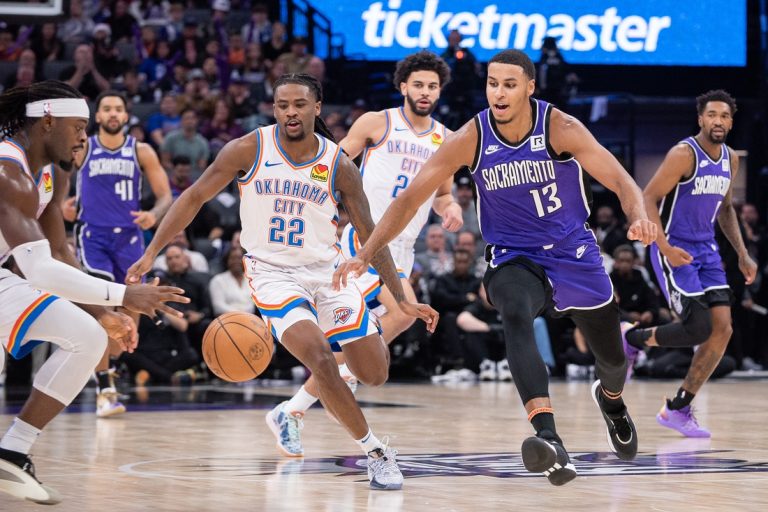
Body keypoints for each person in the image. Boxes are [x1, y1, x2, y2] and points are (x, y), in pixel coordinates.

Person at [334, 50, 657, 486]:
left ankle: (612, 400)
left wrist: (638, 214)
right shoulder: (471, 136)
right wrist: (367, 248)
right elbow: (410, 199)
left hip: (571, 251)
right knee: (514, 313)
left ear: (529, 87)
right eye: (492, 83)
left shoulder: (560, 127)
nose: (498, 92)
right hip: (512, 256)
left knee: (612, 360)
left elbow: (620, 180)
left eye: (509, 84)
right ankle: (549, 438)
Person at [126, 73, 439, 490]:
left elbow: (370, 235)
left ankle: (293, 408)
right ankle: (376, 453)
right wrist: (151, 251)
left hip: (327, 272)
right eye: (282, 105)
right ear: (274, 108)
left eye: (299, 105)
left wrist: (401, 299)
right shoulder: (250, 148)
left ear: (316, 107)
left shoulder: (339, 165)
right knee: (321, 359)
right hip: (273, 275)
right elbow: (194, 197)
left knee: (374, 372)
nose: (290, 112)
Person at [0, 81, 187, 505]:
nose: (85, 138)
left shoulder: (49, 174)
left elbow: (59, 253)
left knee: (87, 337)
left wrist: (100, 312)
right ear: (47, 122)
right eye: (78, 126)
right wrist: (121, 295)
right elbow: (39, 269)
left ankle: (12, 453)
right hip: (13, 275)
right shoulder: (8, 171)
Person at [279, 51, 462, 440]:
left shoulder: (446, 139)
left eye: (432, 86)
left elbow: (443, 193)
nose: (425, 91)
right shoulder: (378, 122)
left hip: (404, 249)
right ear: (403, 87)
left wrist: (452, 208)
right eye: (418, 84)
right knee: (401, 313)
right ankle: (336, 382)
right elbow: (333, 161)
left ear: (439, 91)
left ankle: (296, 407)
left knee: (382, 327)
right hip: (365, 239)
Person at [623, 90, 756, 438]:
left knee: (723, 329)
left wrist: (742, 253)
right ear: (700, 119)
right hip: (673, 246)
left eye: (724, 116)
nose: (718, 121)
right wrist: (663, 247)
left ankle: (678, 408)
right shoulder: (684, 154)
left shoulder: (731, 158)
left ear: (730, 121)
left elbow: (726, 209)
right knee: (698, 327)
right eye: (712, 115)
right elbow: (648, 196)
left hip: (706, 249)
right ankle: (632, 339)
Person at [66, 90, 172, 418]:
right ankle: (104, 386)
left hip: (130, 240)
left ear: (126, 116)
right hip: (93, 237)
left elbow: (166, 196)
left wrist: (154, 214)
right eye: (107, 109)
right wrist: (61, 207)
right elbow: (55, 184)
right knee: (102, 309)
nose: (113, 113)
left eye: (118, 109)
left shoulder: (141, 151)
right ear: (97, 117)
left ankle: (108, 371)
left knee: (128, 317)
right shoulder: (83, 148)